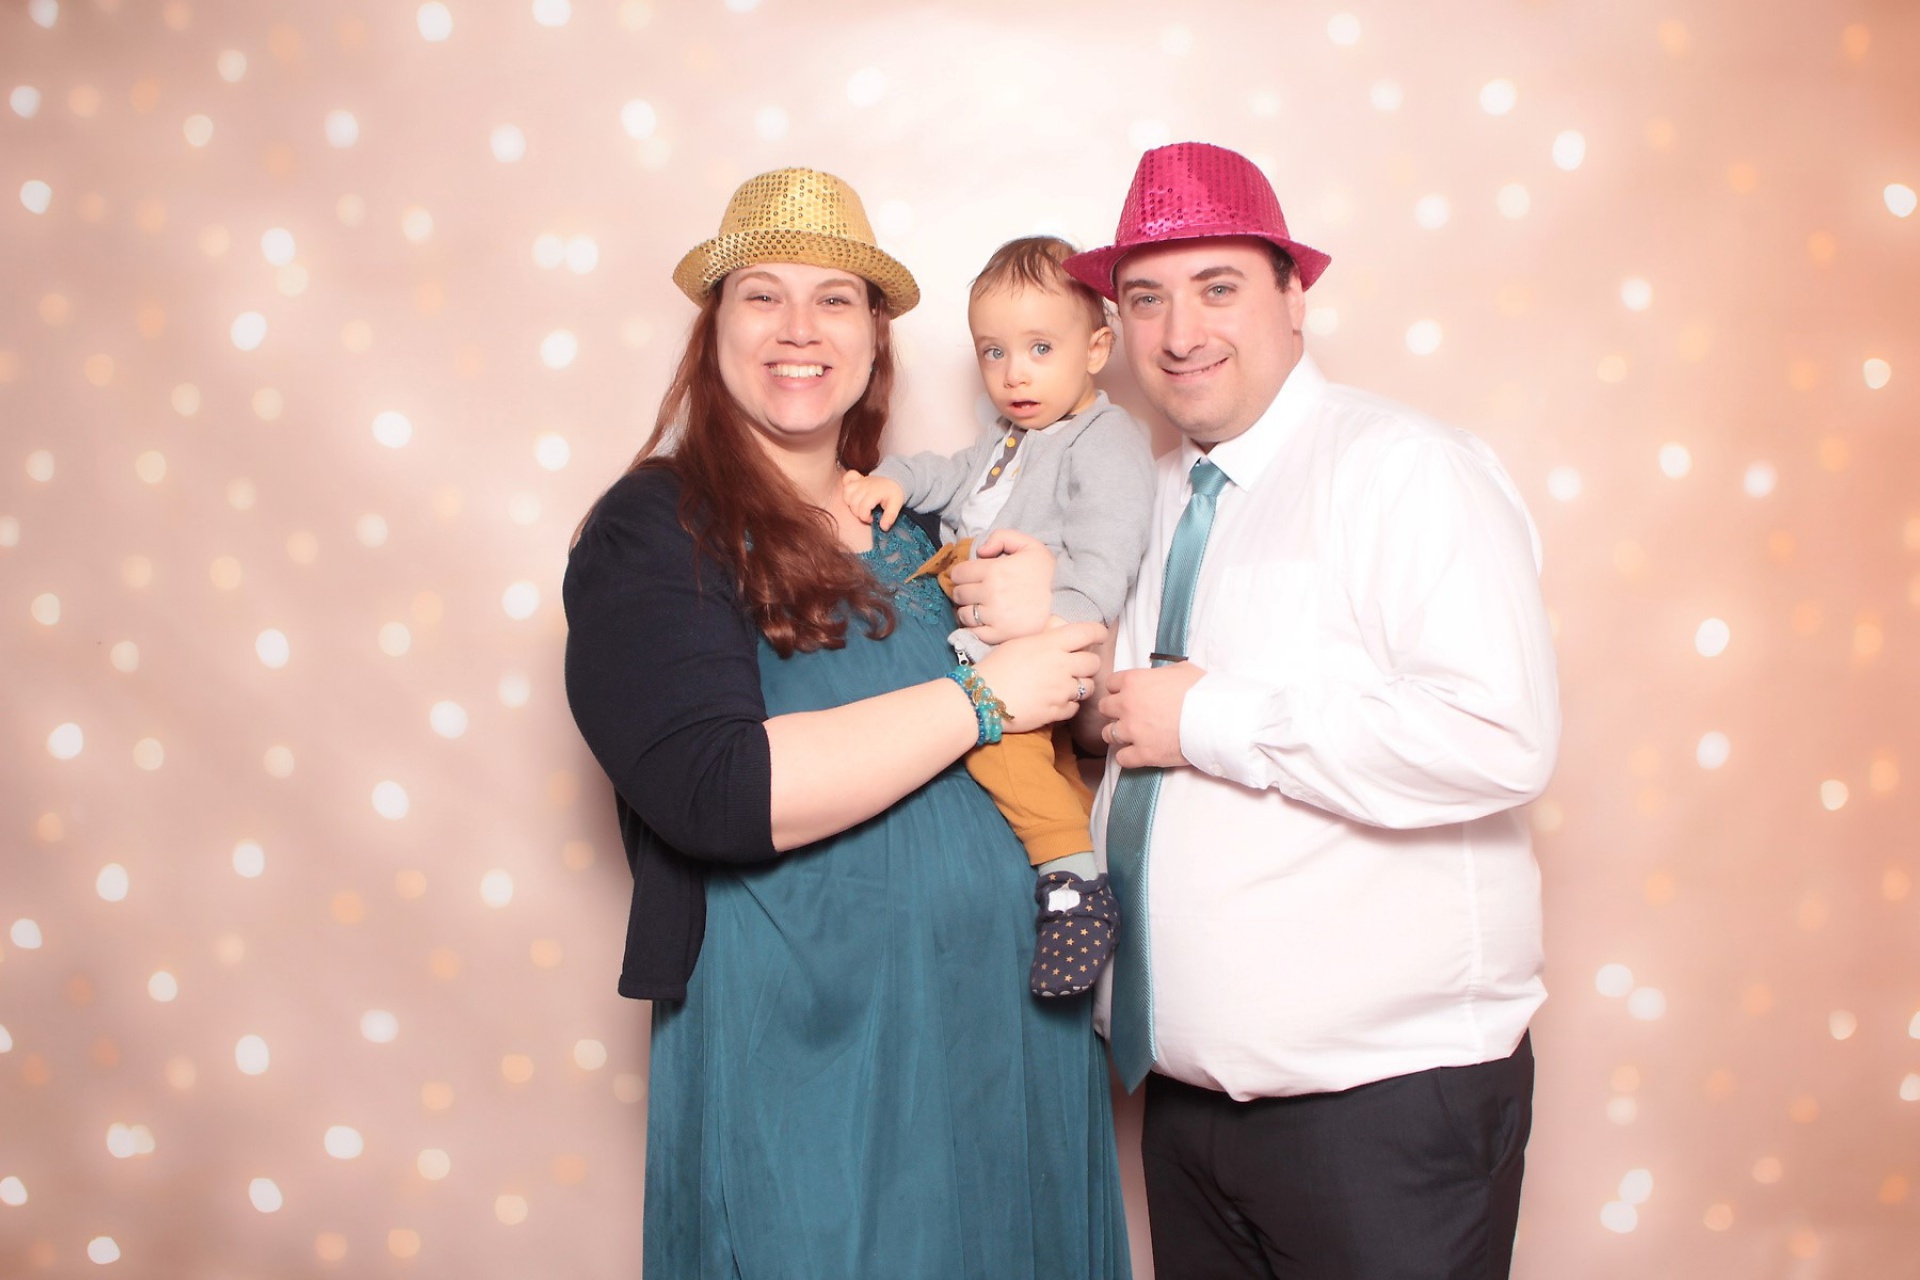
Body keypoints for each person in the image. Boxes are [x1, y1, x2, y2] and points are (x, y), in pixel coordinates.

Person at [561, 167, 1130, 1279]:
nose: (799, 328)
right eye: (761, 296)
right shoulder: (656, 527)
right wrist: (982, 696)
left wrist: (1071, 638)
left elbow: (1059, 729)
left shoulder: (925, 524)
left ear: (875, 337)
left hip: (1011, 1053)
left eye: (834, 299)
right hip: (813, 1065)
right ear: (713, 329)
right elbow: (712, 788)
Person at [1067, 142, 1561, 1278]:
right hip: (1185, 1108)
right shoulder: (1146, 494)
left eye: (1218, 287)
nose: (1179, 332)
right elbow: (1133, 720)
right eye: (1146, 298)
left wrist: (1210, 720)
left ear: (1295, 296)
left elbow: (1499, 736)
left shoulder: (1408, 471)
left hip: (1382, 1114)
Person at [842, 235, 1155, 998]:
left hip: (1045, 643)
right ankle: (1090, 858)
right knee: (1046, 770)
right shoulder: (1008, 439)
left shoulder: (1105, 439)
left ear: (1096, 350)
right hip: (1003, 634)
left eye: (1040, 348)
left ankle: (1074, 889)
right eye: (994, 352)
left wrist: (1050, 629)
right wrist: (893, 480)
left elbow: (1108, 554)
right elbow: (949, 476)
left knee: (995, 747)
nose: (1014, 373)